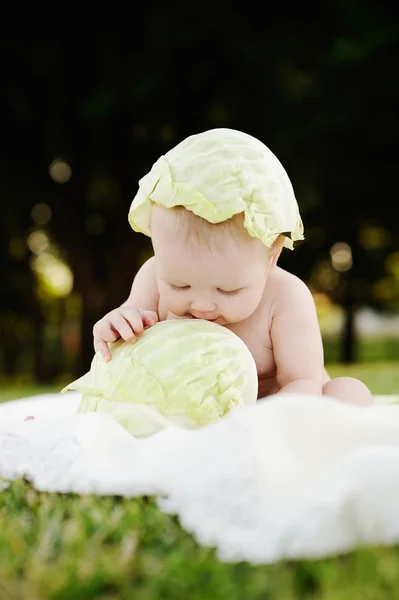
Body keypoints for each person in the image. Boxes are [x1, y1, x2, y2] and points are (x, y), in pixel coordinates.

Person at [92, 128, 373, 406]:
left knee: (348, 393)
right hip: (194, 411)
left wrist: (252, 426)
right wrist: (118, 326)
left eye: (228, 290)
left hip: (273, 410)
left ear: (271, 256)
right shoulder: (152, 276)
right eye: (179, 285)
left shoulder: (286, 297)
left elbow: (303, 382)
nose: (202, 306)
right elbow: (129, 344)